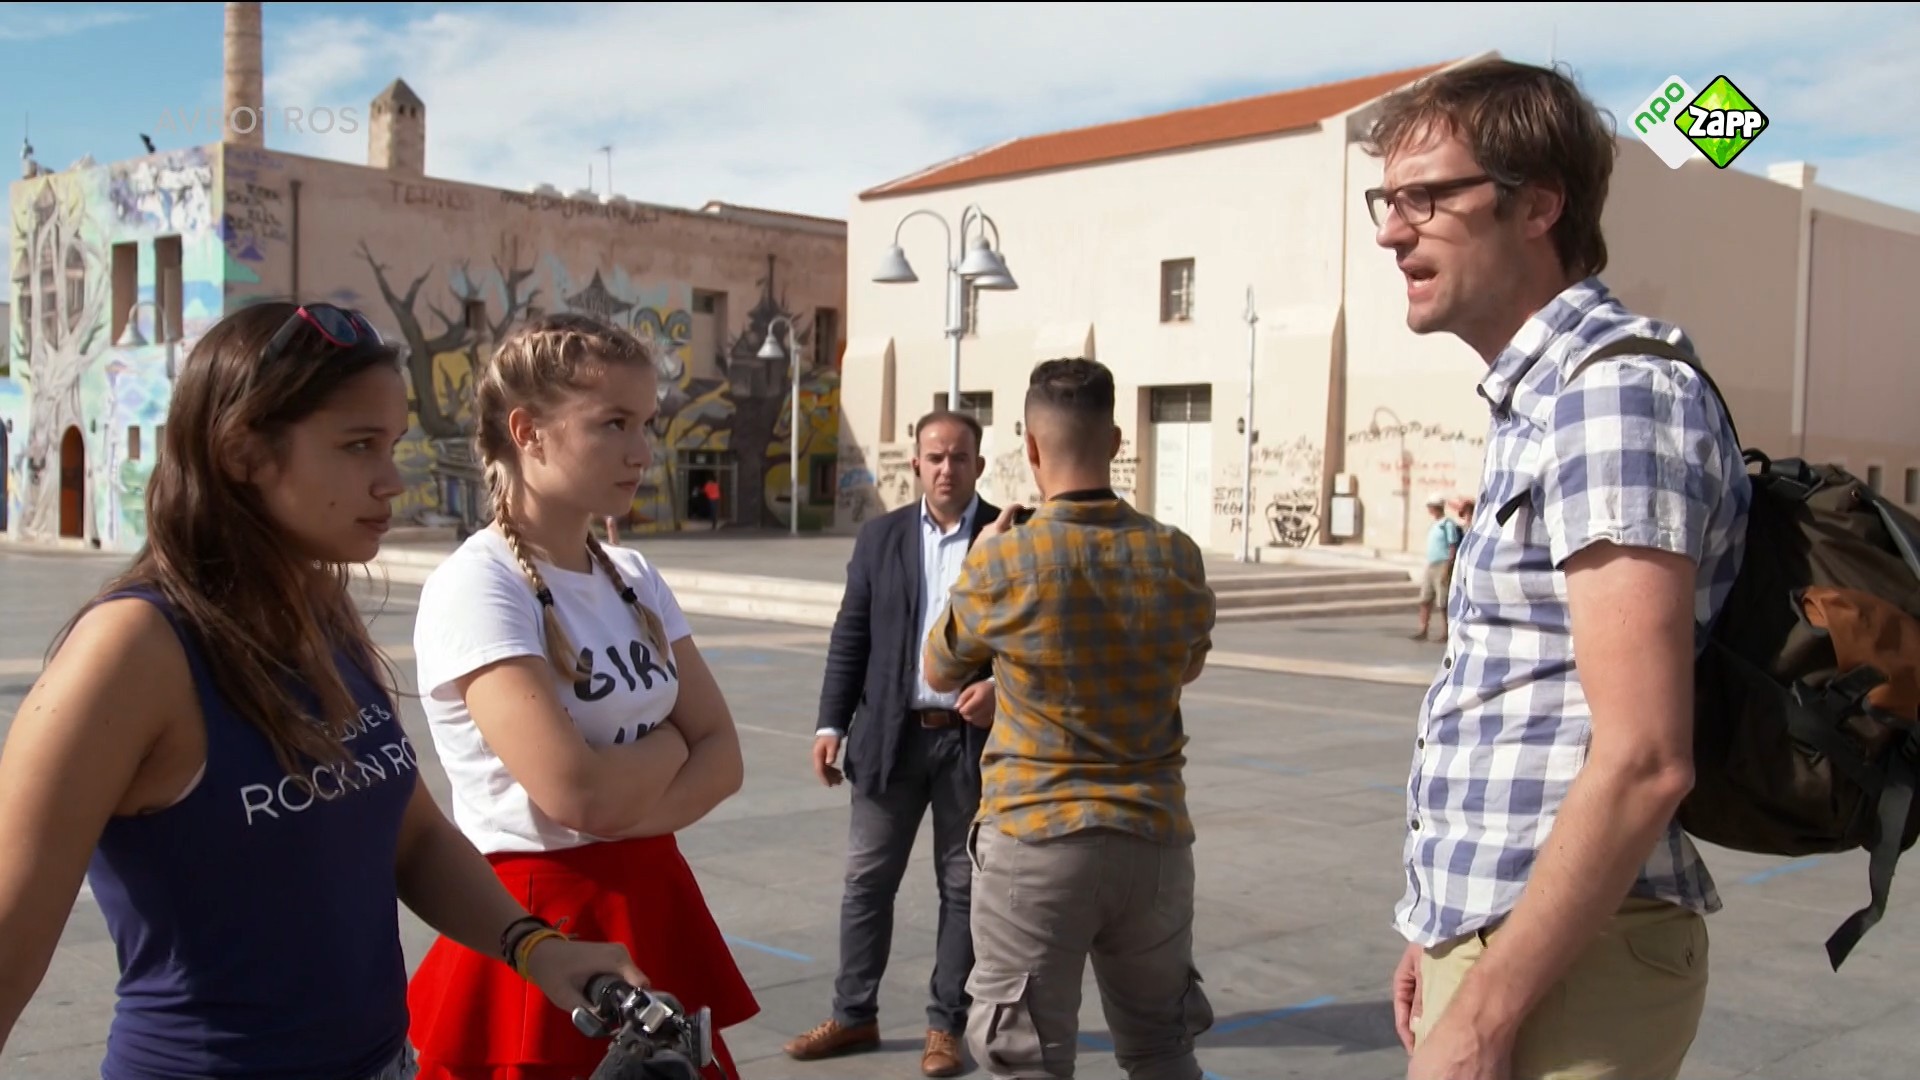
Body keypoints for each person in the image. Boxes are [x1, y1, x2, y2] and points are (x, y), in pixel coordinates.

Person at [0, 301, 647, 1079]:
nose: (392, 481)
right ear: (244, 452)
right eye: (358, 445)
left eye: (393, 445)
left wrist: (535, 948)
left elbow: (414, 836)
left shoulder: (320, 611)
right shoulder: (133, 650)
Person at [1364, 59, 1751, 1080]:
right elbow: (1530, 700)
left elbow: (1644, 757)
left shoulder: (1611, 395)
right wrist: (1445, 927)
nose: (1392, 232)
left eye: (1426, 198)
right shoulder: (1544, 400)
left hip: (1570, 973)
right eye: (1387, 201)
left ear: (1538, 205)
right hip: (1520, 939)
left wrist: (1485, 1013)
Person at [403, 313, 759, 1080]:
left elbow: (726, 758)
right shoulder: (479, 584)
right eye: (613, 424)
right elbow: (577, 795)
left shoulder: (633, 574)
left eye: (647, 424)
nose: (642, 451)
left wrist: (622, 806)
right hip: (542, 917)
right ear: (527, 432)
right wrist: (671, 743)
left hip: (653, 896)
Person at [924, 357, 1218, 1080]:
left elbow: (938, 669)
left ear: (1030, 446)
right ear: (1116, 441)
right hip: (1152, 837)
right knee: (1163, 1050)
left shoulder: (1005, 562)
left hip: (1036, 837)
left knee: (1026, 1061)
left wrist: (974, 569)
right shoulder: (1175, 554)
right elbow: (1187, 666)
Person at [784, 410, 1001, 1077]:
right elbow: (851, 634)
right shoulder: (881, 537)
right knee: (866, 882)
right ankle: (854, 1015)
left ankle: (946, 1026)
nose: (946, 469)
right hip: (889, 740)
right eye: (934, 457)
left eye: (958, 457)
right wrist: (830, 725)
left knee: (962, 887)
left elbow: (1038, 640)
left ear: (979, 465)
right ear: (915, 464)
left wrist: (1000, 688)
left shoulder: (1008, 536)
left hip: (970, 746)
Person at [1412, 494, 1463, 641]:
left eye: (1430, 506)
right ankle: (1423, 629)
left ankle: (1446, 632)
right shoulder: (1435, 524)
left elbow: (1452, 546)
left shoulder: (1447, 524)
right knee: (1425, 599)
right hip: (1431, 564)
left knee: (1443, 601)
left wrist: (1448, 567)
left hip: (1442, 564)